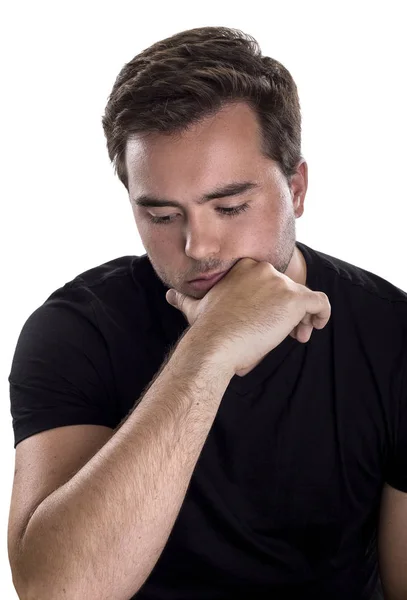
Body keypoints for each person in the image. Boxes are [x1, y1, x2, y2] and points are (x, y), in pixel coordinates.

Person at [6, 26, 406, 600]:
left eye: (230, 206)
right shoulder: (77, 330)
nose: (198, 246)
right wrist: (208, 351)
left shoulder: (391, 334)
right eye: (162, 216)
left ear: (296, 188)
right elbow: (58, 591)